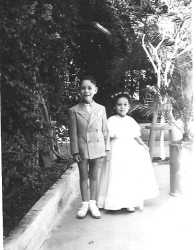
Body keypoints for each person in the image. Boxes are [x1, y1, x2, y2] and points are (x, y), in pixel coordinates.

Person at [97, 93, 159, 212]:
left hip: (130, 150)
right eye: (119, 105)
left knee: (128, 175)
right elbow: (108, 138)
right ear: (115, 107)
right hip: (116, 150)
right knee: (117, 175)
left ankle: (129, 201)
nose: (122, 107)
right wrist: (107, 150)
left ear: (129, 106)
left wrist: (143, 144)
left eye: (125, 105)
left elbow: (135, 135)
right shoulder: (111, 120)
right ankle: (114, 202)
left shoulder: (130, 120)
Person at [69, 76, 110, 219]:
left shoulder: (101, 109)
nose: (86, 91)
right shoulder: (74, 110)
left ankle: (93, 203)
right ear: (79, 91)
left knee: (94, 176)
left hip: (98, 146)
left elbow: (105, 130)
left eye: (89, 88)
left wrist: (107, 148)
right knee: (83, 176)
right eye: (83, 88)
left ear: (95, 90)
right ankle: (85, 203)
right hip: (82, 148)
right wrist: (74, 151)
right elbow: (73, 133)